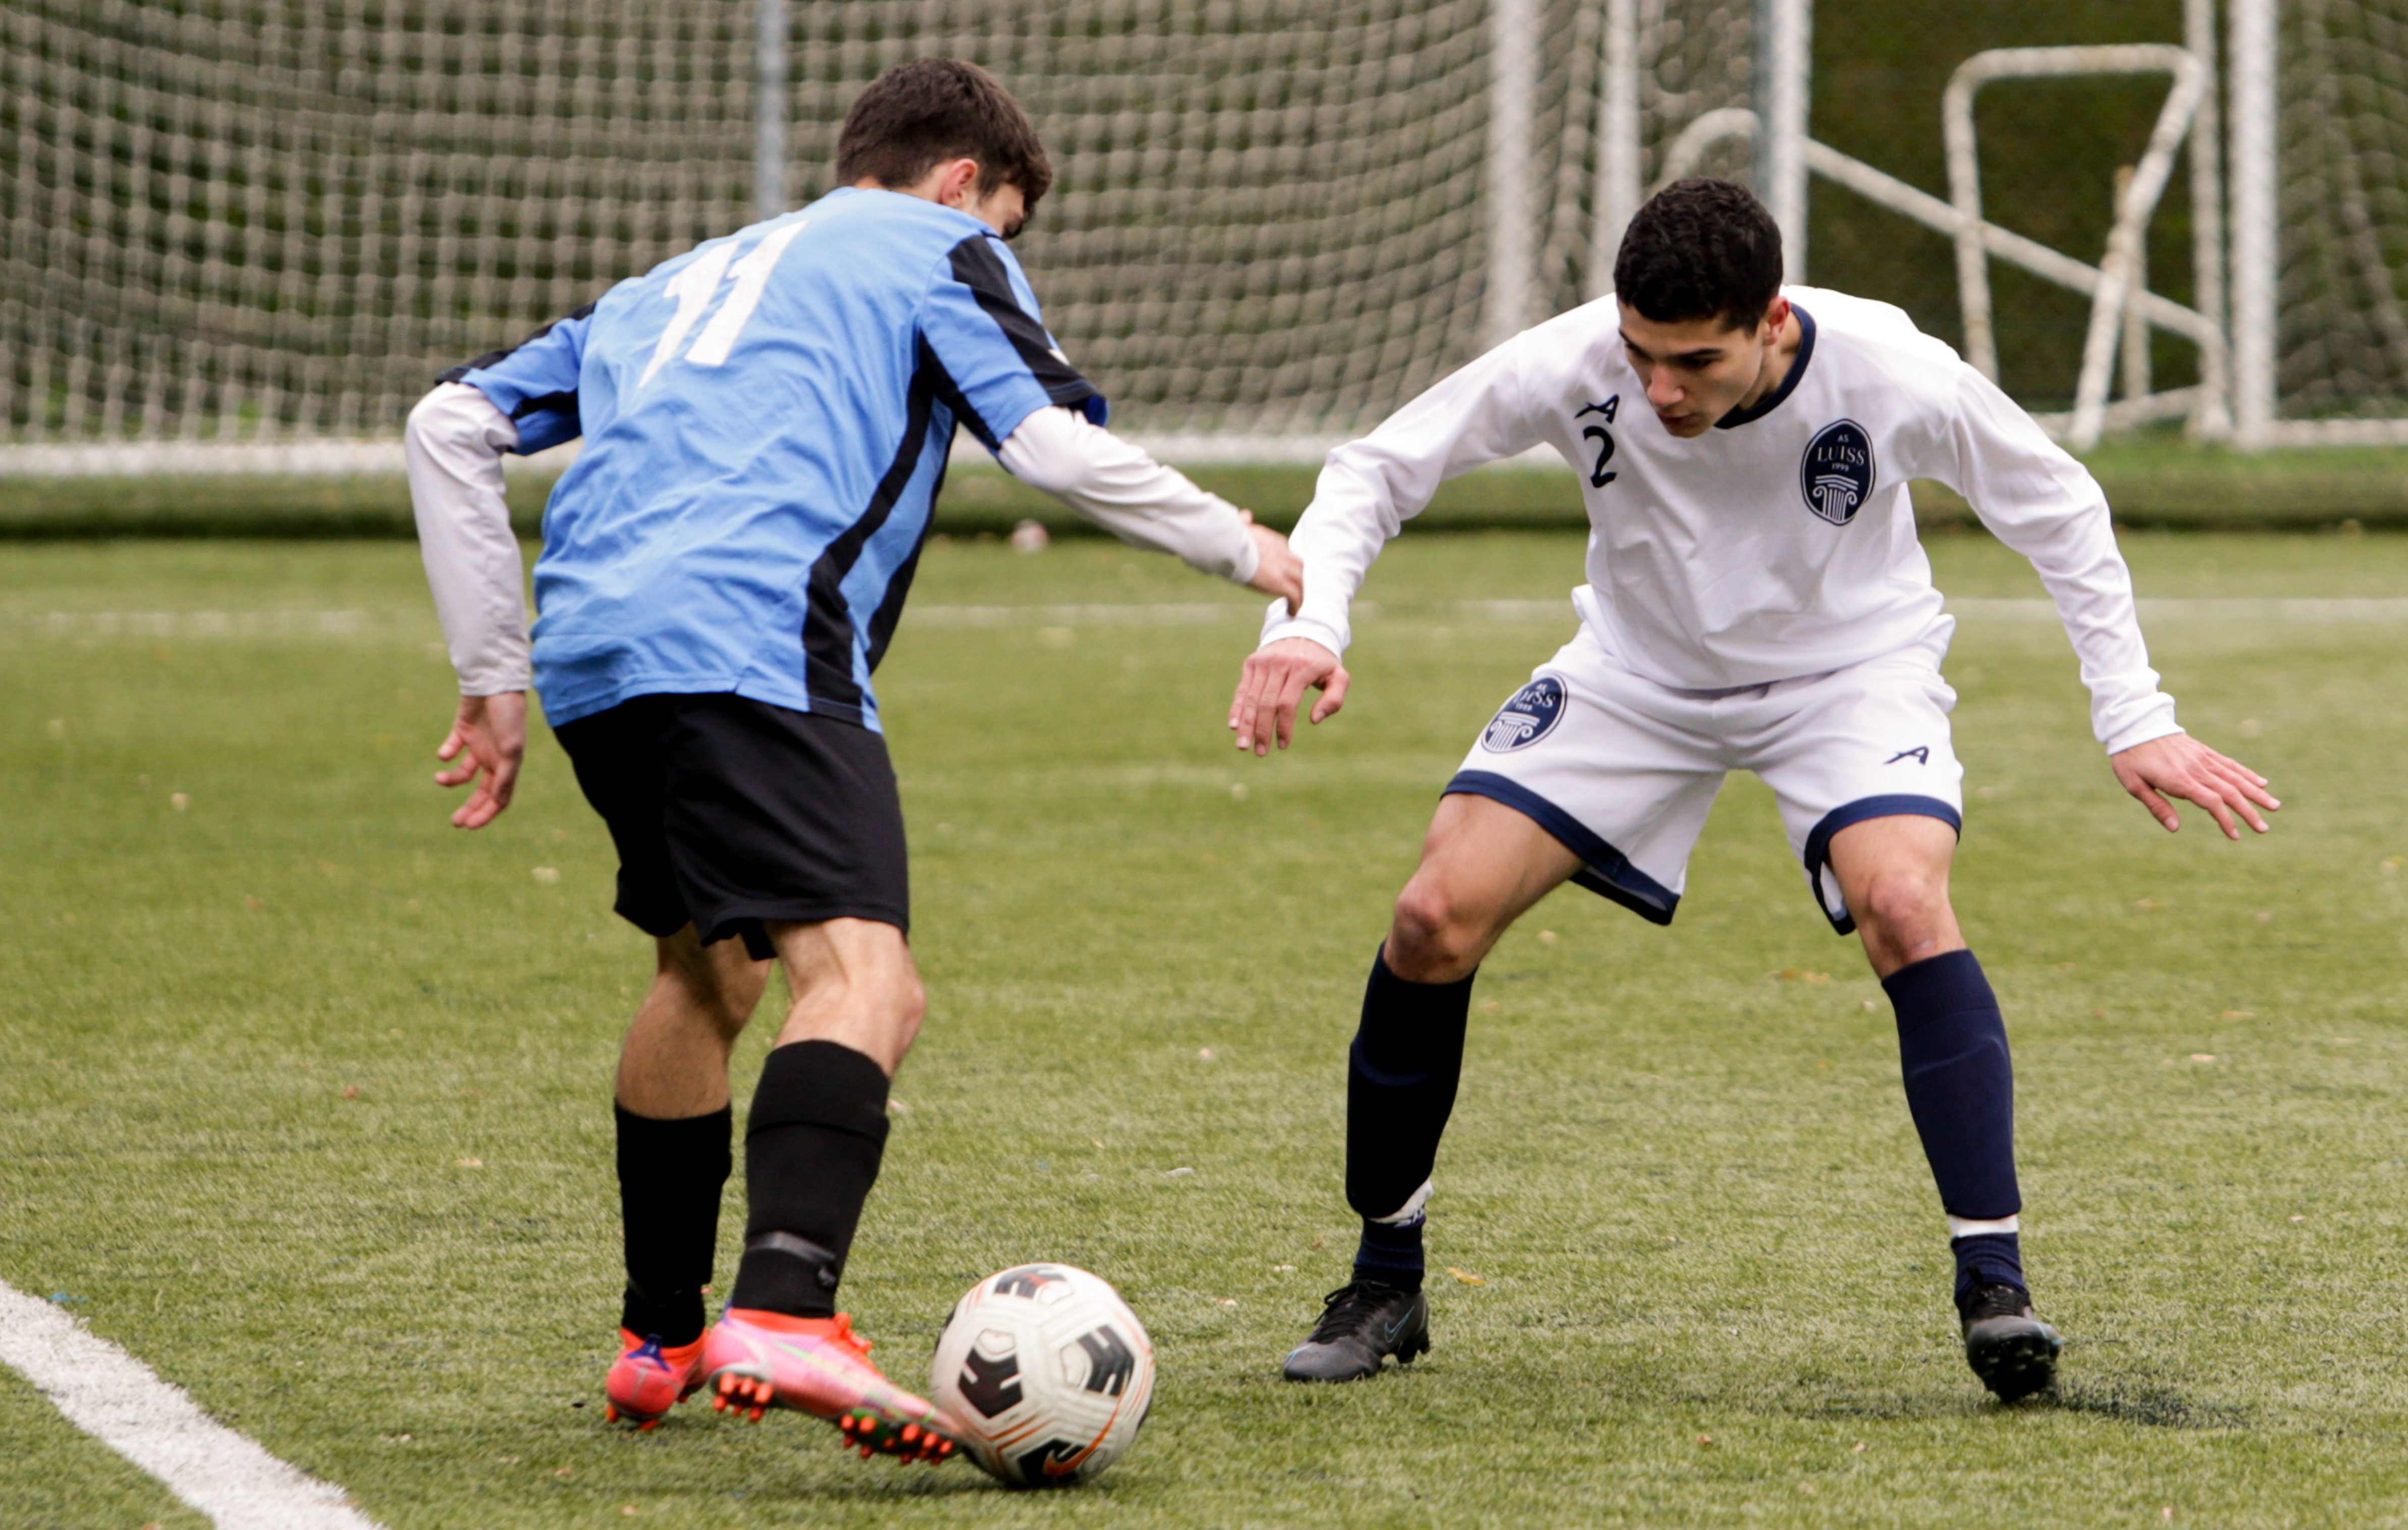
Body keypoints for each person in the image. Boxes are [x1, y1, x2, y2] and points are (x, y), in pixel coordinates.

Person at [1229, 178, 2275, 1402]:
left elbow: (2058, 507)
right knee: (1430, 917)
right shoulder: (1579, 359)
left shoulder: (1890, 371)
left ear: (1772, 320)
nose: (1658, 389)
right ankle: (1381, 1277)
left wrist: (2133, 713)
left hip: (1846, 676)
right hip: (1633, 676)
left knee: (1901, 904)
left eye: (1692, 361)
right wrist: (1310, 626)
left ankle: (1994, 1285)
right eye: (1640, 356)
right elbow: (1374, 471)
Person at [405, 59, 1301, 1460]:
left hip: (593, 652)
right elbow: (1048, 447)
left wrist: (490, 672)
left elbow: (448, 421)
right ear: (963, 184)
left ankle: (660, 1339)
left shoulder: (674, 281)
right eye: (1006, 221)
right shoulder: (941, 246)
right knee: (863, 980)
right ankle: (783, 1309)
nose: (1002, 249)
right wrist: (1242, 544)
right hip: (758, 635)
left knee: (706, 968)